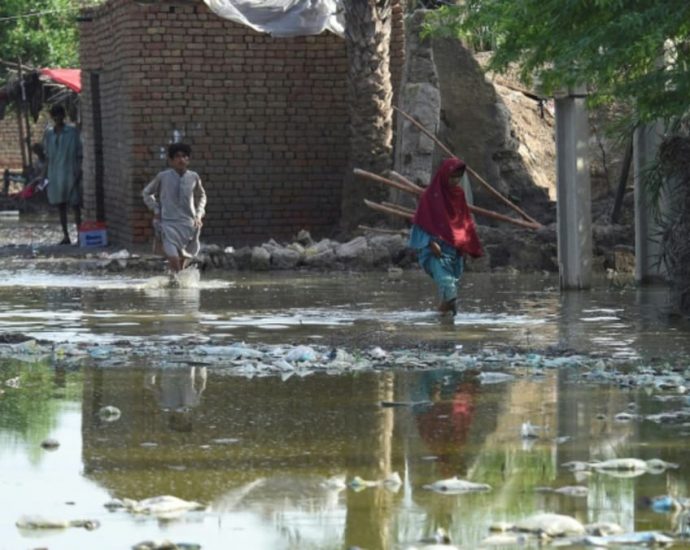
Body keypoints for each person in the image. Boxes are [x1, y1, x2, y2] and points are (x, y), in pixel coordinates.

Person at [408, 157, 483, 315]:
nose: (455, 180)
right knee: (449, 287)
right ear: (444, 175)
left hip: (454, 250)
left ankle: (443, 328)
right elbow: (421, 222)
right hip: (436, 250)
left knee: (448, 295)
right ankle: (444, 324)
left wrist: (466, 246)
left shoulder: (458, 195)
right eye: (452, 176)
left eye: (458, 177)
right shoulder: (430, 196)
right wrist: (429, 243)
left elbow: (464, 221)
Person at [142, 143, 207, 273]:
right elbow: (146, 193)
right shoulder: (163, 176)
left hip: (188, 224)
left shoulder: (193, 177)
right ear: (171, 160)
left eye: (184, 156)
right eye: (177, 156)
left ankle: (175, 285)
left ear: (188, 159)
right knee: (174, 259)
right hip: (168, 223)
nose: (181, 159)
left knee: (182, 262)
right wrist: (156, 209)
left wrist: (199, 214)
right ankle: (178, 285)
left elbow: (202, 196)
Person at [42, 104, 83, 245]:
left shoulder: (72, 132)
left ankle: (79, 235)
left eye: (59, 115)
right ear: (52, 117)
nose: (57, 118)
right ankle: (66, 236)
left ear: (63, 116)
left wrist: (79, 170)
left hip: (70, 172)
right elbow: (47, 156)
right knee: (61, 206)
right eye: (55, 116)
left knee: (75, 205)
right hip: (55, 174)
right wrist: (43, 175)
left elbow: (80, 154)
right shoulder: (49, 134)